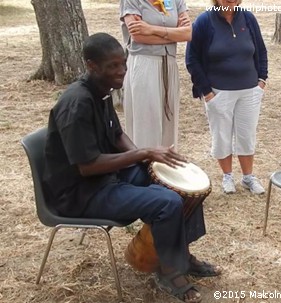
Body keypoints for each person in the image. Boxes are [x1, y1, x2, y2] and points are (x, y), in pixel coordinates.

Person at [42, 33, 221, 303]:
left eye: (123, 64)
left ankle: (180, 255)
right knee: (168, 202)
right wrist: (144, 152)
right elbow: (87, 167)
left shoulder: (101, 91)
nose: (121, 71)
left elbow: (116, 135)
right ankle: (169, 272)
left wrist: (145, 159)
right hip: (80, 194)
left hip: (105, 179)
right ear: (91, 65)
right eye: (112, 66)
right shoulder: (77, 104)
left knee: (183, 187)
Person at [185, 0, 268, 195]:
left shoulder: (248, 18)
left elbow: (261, 50)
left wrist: (262, 80)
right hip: (218, 92)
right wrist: (207, 92)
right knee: (221, 136)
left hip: (250, 91)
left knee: (247, 135)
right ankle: (227, 176)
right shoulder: (204, 21)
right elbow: (192, 59)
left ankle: (248, 177)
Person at [120, 0, 192, 149]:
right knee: (146, 125)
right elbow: (138, 36)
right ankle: (144, 168)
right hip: (144, 64)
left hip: (169, 64)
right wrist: (173, 34)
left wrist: (151, 29)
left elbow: (187, 33)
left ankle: (166, 169)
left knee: (169, 125)